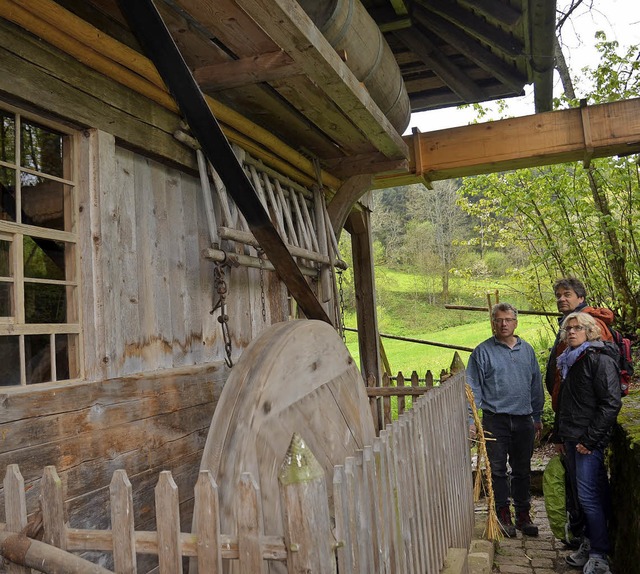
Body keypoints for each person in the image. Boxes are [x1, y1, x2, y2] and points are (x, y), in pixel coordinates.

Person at [467, 303, 544, 537]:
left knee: (522, 469)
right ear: (493, 323)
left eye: (508, 320)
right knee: (497, 470)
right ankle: (502, 514)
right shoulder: (482, 352)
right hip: (495, 420)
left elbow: (535, 384)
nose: (503, 324)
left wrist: (537, 416)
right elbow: (473, 388)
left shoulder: (527, 350)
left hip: (523, 420)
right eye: (499, 320)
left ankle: (523, 514)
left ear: (515, 322)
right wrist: (471, 419)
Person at [553, 312, 621, 574]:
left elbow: (610, 403)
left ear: (590, 331)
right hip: (572, 437)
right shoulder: (570, 359)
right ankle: (593, 543)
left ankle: (599, 555)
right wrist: (560, 435)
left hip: (587, 441)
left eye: (577, 327)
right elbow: (567, 403)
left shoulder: (599, 359)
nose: (571, 332)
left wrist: (589, 440)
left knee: (588, 497)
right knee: (593, 495)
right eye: (568, 328)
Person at [546, 278, 614, 411]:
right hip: (570, 406)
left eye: (567, 294)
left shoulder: (590, 324)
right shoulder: (569, 323)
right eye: (558, 296)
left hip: (583, 410)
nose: (561, 299)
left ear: (581, 298)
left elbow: (601, 371)